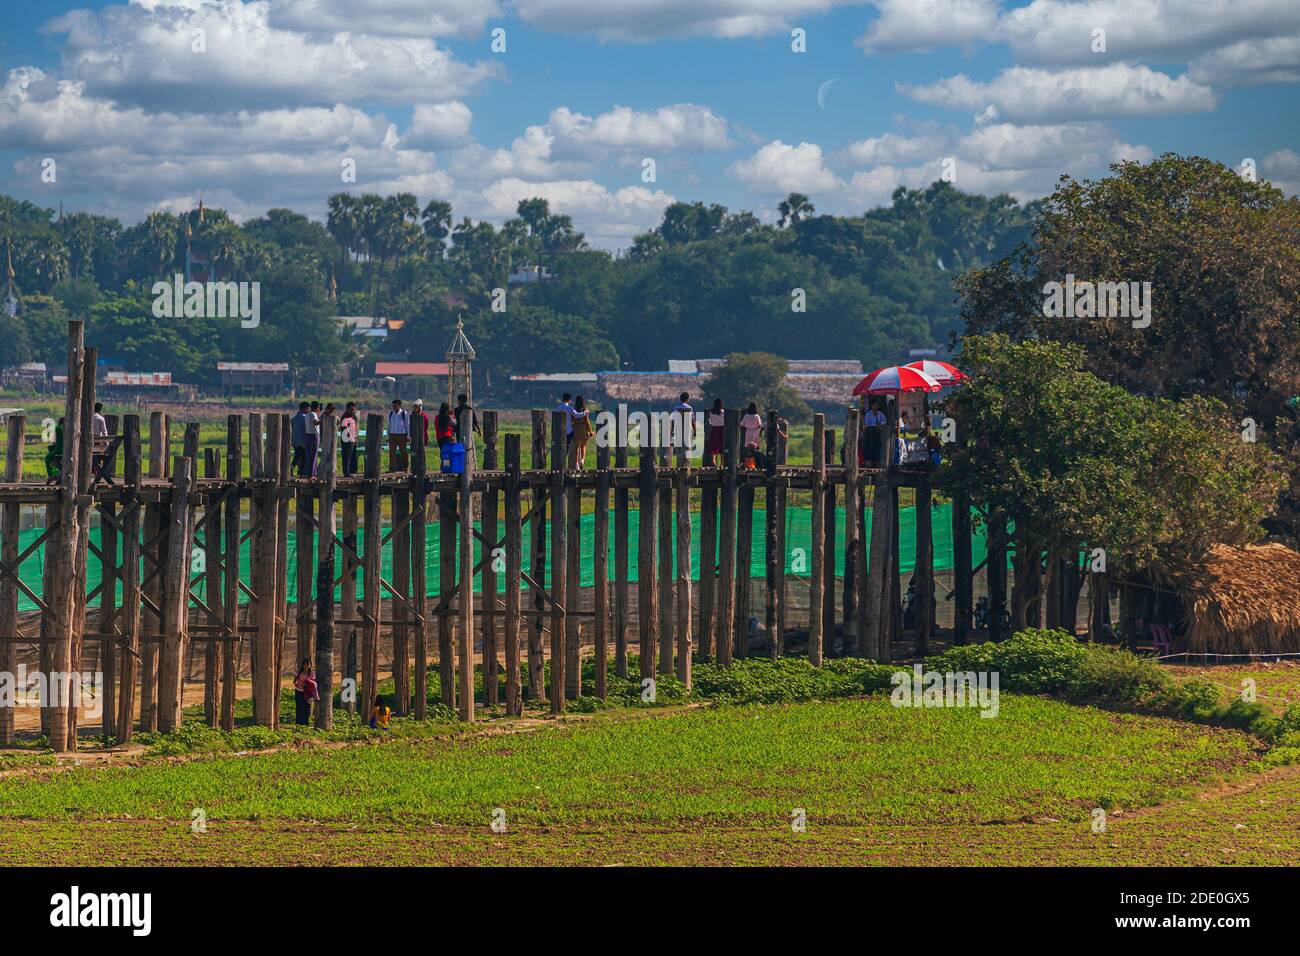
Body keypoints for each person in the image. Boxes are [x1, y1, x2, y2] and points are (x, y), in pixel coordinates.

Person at [740, 402, 767, 470]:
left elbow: (742, 424)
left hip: (748, 432)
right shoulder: (756, 416)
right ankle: (756, 462)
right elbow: (759, 425)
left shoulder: (746, 415)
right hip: (755, 432)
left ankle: (748, 462)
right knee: (756, 448)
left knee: (748, 448)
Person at [569, 395, 593, 469]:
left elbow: (571, 420)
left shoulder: (573, 409)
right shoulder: (584, 410)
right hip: (583, 428)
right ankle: (582, 460)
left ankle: (576, 464)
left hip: (575, 427)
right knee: (583, 446)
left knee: (576, 447)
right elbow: (587, 422)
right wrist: (590, 431)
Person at [387, 398, 410, 472]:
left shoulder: (404, 414)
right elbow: (389, 425)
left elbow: (407, 425)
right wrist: (388, 435)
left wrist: (408, 436)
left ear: (399, 406)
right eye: (393, 406)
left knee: (403, 452)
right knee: (391, 452)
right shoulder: (391, 413)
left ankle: (405, 468)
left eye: (395, 406)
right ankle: (392, 469)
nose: (394, 407)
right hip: (392, 435)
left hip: (402, 435)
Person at [862, 397, 886, 466]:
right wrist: (875, 425)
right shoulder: (868, 414)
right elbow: (867, 424)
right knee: (869, 446)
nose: (875, 406)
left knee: (877, 446)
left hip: (877, 432)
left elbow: (884, 420)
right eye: (874, 405)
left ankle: (876, 461)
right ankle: (869, 461)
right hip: (869, 432)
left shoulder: (879, 414)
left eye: (876, 405)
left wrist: (880, 424)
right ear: (871, 405)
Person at [294, 658, 318, 725]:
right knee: (299, 707)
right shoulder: (299, 672)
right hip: (298, 691)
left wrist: (308, 683)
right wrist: (296, 678)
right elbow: (294, 682)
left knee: (306, 707)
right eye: (304, 664)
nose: (306, 666)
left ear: (310, 665)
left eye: (307, 664)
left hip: (307, 693)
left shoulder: (312, 674)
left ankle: (305, 723)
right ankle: (298, 723)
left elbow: (314, 683)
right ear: (302, 665)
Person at [290, 401, 311, 476]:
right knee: (302, 457)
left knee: (297, 455)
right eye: (308, 409)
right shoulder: (305, 418)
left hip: (295, 440)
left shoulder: (293, 419)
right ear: (304, 409)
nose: (309, 411)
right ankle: (299, 471)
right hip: (303, 441)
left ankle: (295, 469)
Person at [704, 398, 725, 466]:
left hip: (714, 429)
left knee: (714, 445)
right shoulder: (723, 412)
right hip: (721, 429)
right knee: (721, 445)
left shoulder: (711, 412)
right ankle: (722, 463)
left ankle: (713, 461)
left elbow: (710, 422)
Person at [340, 402, 359, 476]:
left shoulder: (352, 417)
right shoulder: (345, 417)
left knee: (352, 456)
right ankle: (346, 472)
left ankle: (352, 470)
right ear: (347, 409)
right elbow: (345, 428)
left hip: (352, 439)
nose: (353, 411)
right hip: (347, 439)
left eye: (354, 410)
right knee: (347, 456)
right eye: (351, 410)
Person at [44, 417, 64, 484]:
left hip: (60, 450)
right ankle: (55, 474)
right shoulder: (69, 428)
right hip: (67, 450)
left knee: (48, 458)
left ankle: (51, 475)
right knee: (54, 457)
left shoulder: (58, 427)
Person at [91, 402, 109, 476]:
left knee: (91, 456)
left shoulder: (89, 417)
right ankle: (97, 474)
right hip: (98, 441)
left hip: (89, 440)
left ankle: (91, 471)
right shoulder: (101, 418)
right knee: (98, 457)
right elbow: (104, 431)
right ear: (100, 409)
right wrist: (107, 443)